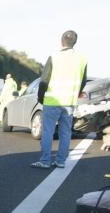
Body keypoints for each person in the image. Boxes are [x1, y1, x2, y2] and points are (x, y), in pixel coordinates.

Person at [32, 30, 88, 169]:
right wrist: (76, 93)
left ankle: (45, 161)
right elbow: (83, 81)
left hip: (52, 101)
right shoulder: (82, 59)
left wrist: (40, 97)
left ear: (61, 40)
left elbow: (44, 80)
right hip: (69, 102)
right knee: (65, 132)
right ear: (75, 42)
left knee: (48, 131)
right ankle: (61, 161)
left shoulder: (54, 57)